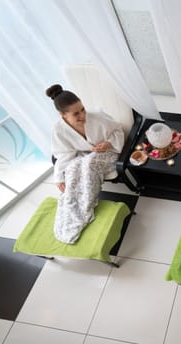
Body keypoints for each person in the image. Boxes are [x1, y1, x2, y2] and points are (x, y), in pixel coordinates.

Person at [47, 84, 124, 244]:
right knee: (73, 169)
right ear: (63, 116)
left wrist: (108, 144)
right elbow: (63, 154)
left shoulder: (97, 117)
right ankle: (69, 212)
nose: (83, 115)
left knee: (88, 164)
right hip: (82, 157)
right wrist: (59, 178)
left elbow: (118, 131)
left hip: (107, 155)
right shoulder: (58, 130)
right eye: (76, 114)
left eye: (82, 109)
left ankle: (84, 210)